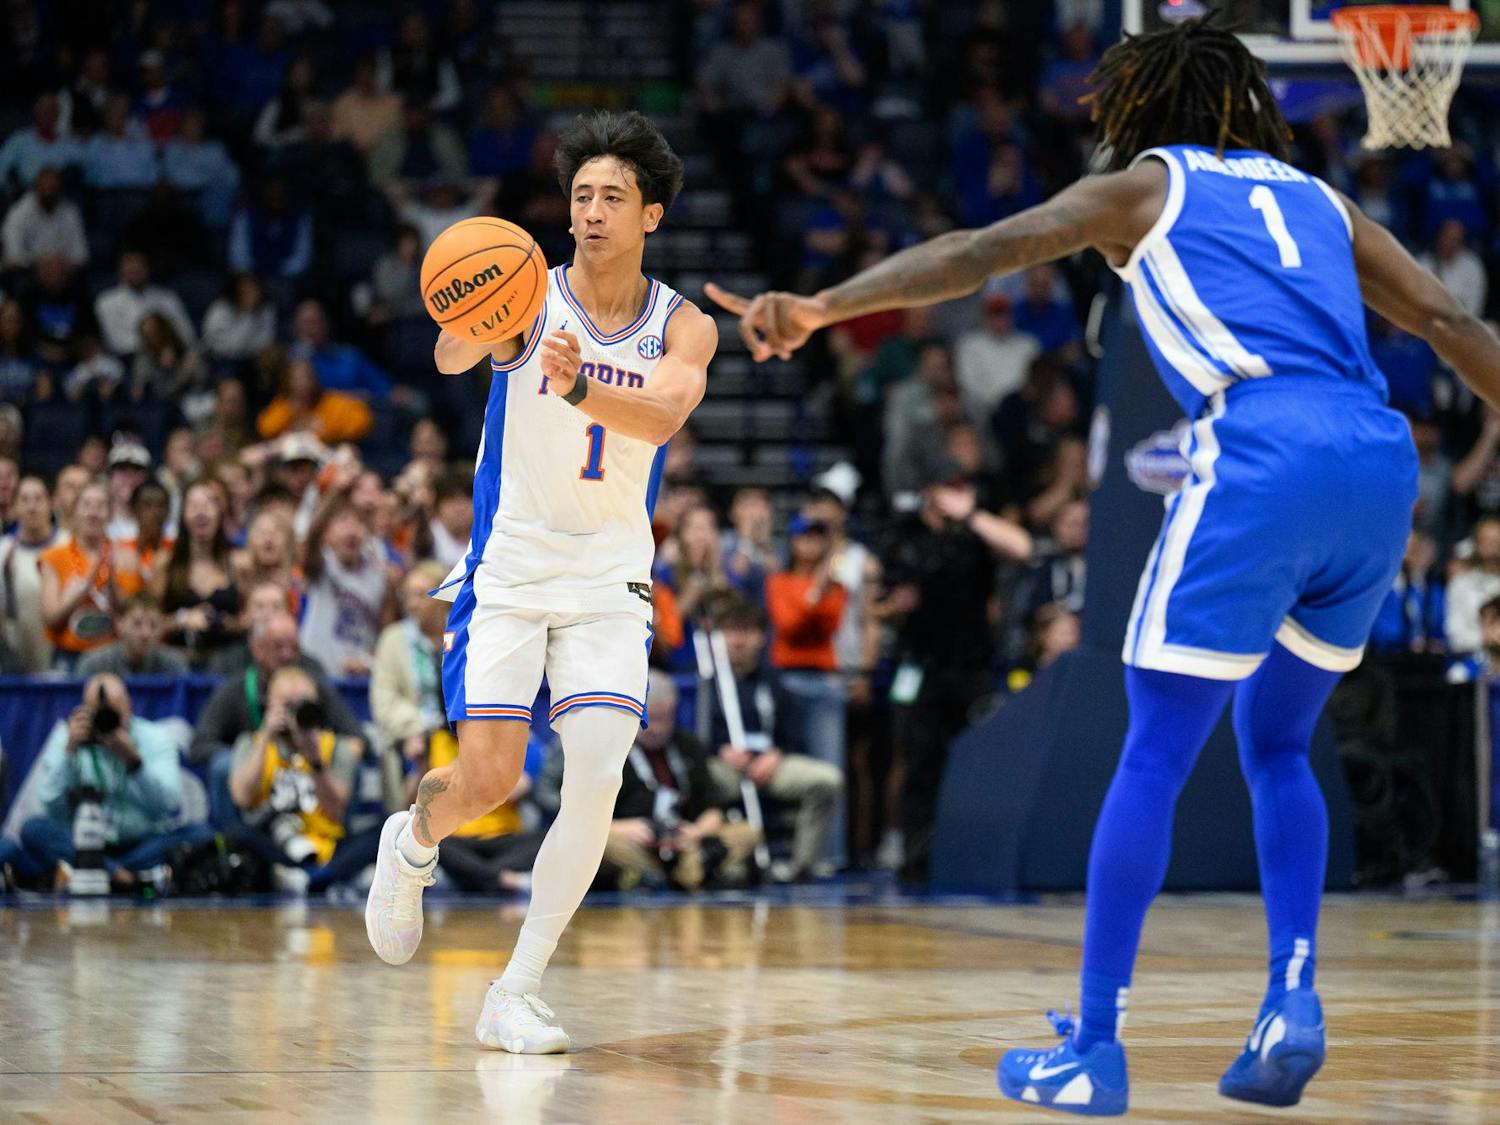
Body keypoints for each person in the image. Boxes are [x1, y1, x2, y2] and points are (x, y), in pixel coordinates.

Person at [707, 15, 1500, 1113]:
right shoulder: (1320, 201)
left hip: (1263, 445)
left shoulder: (1147, 187)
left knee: (1154, 752)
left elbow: (984, 250)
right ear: (1248, 109)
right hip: (1377, 458)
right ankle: (1292, 994)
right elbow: (1450, 318)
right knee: (1279, 743)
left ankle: (1095, 1045)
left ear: (1145, 112)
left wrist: (825, 307)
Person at [364, 110, 717, 1057]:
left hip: (610, 579)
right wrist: (483, 327)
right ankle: (413, 840)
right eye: (580, 196)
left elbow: (664, 413)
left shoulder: (685, 324)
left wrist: (574, 387)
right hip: (511, 569)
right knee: (489, 779)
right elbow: (447, 352)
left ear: (650, 213)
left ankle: (513, 991)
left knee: (597, 780)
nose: (592, 212)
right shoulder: (528, 294)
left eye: (612, 197)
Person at [374, 563, 545, 892]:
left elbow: (521, 786)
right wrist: (421, 765)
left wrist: (474, 778)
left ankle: (484, 878)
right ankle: (500, 881)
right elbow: (409, 804)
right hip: (454, 838)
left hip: (502, 836)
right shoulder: (430, 738)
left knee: (549, 838)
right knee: (434, 845)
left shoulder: (507, 732)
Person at [0, 674, 210, 890]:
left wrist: (135, 764)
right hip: (82, 843)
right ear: (85, 710)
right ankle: (124, 878)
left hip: (141, 844)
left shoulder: (154, 738)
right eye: (99, 713)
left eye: (113, 712)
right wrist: (69, 754)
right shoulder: (68, 738)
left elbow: (169, 805)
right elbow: (50, 805)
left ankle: (100, 873)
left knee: (200, 834)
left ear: (129, 706)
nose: (106, 720)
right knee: (33, 829)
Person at [704, 599, 842, 882]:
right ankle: (724, 862)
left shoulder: (773, 681)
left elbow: (794, 736)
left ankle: (803, 867)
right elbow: (691, 739)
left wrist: (775, 755)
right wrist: (719, 750)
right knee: (707, 781)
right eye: (731, 631)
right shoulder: (706, 684)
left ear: (761, 637)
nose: (739, 641)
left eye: (747, 632)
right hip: (724, 764)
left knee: (826, 780)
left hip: (769, 763)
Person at [584, 670, 759, 891]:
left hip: (686, 843)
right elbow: (584, 816)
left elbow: (713, 809)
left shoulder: (688, 745)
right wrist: (623, 829)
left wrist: (695, 833)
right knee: (596, 840)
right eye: (649, 720)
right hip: (634, 844)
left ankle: (690, 871)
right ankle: (664, 876)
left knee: (748, 832)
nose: (657, 729)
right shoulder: (608, 751)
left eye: (664, 719)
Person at [228, 665, 362, 893]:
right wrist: (265, 737)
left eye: (302, 705)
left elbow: (336, 811)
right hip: (272, 843)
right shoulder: (251, 743)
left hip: (325, 844)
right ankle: (317, 878)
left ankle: (320, 875)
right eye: (287, 706)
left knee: (380, 834)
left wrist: (315, 759)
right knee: (235, 835)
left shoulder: (336, 746)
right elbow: (241, 798)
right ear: (270, 706)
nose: (295, 714)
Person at [763, 515, 848, 864]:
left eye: (818, 538)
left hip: (823, 679)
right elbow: (791, 625)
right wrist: (815, 591)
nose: (811, 544)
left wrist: (816, 597)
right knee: (790, 763)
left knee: (831, 768)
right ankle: (787, 854)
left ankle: (830, 856)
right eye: (805, 538)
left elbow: (830, 624)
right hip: (786, 679)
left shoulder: (838, 587)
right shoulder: (779, 582)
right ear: (794, 543)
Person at [38, 480, 143, 668]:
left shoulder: (128, 557)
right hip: (69, 657)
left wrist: (110, 582)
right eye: (86, 505)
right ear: (75, 512)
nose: (93, 512)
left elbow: (133, 616)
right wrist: (84, 589)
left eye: (101, 506)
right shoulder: (53, 557)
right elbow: (50, 620)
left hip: (115, 655)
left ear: (110, 514)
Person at [0, 475, 60, 671]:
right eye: (24, 500)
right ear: (15, 507)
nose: (31, 507)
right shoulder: (3, 551)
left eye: (38, 499)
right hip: (14, 660)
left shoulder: (68, 545)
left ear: (51, 503)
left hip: (59, 657)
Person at [77, 593, 188, 677]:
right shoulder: (95, 664)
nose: (146, 633)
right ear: (119, 625)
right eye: (137, 624)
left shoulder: (174, 665)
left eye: (153, 625)